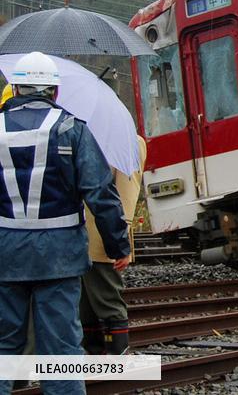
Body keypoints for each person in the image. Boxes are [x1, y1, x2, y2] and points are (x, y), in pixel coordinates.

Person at [0, 52, 130, 395]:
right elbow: (101, 195)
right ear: (55, 92)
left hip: (5, 255)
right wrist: (119, 246)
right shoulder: (72, 130)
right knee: (60, 351)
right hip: (59, 257)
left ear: (15, 88)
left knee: (3, 348)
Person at [79, 136, 146, 355]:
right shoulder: (84, 138)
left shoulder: (128, 141)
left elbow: (128, 190)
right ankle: (96, 357)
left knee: (107, 300)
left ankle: (117, 360)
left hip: (105, 234)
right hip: (80, 235)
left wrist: (121, 235)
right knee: (85, 306)